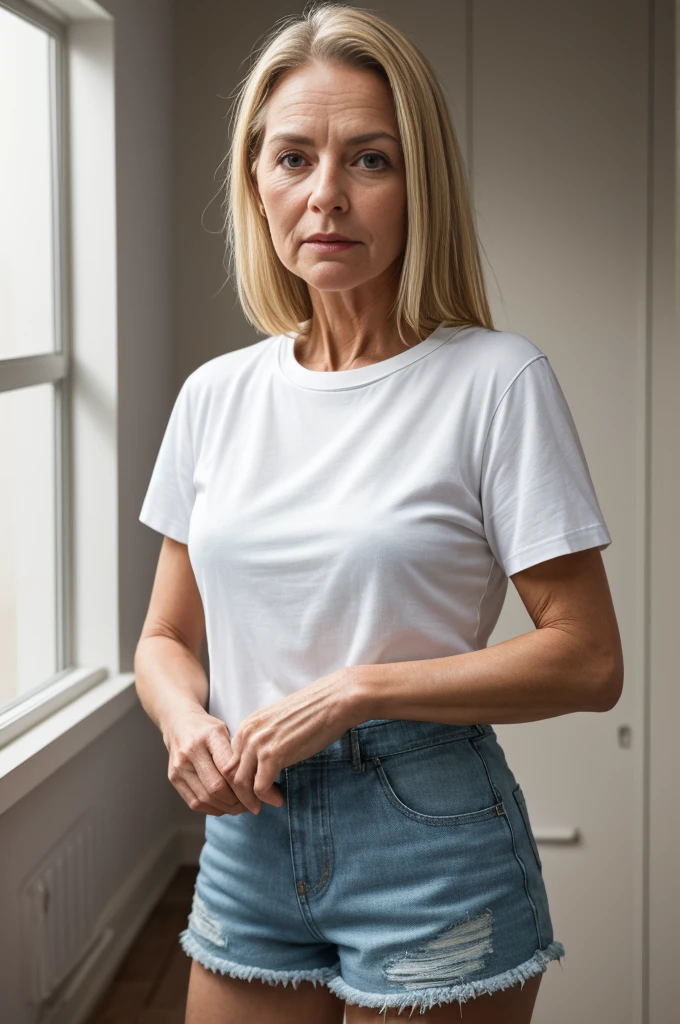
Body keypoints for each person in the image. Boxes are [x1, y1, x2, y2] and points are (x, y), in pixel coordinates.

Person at [134, 3, 623, 1022]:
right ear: (254, 181)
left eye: (367, 160)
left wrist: (355, 689)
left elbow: (585, 658)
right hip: (247, 842)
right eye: (291, 159)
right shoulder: (214, 396)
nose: (324, 196)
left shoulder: (494, 380)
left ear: (417, 184)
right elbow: (166, 637)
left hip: (428, 836)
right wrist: (184, 718)